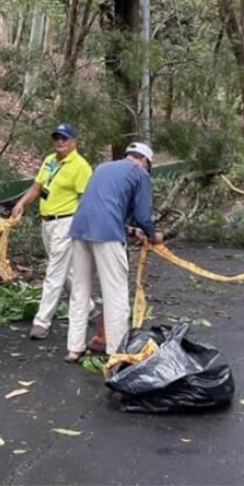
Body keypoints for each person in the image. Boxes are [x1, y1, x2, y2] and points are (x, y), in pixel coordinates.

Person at [65, 142, 164, 361]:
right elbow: (143, 215)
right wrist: (153, 235)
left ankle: (74, 348)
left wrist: (130, 230)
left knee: (80, 291)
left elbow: (103, 206)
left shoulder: (102, 168)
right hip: (107, 235)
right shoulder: (140, 174)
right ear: (146, 162)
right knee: (115, 294)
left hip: (80, 229)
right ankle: (116, 352)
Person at [12, 124, 93, 340]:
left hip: (66, 222)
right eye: (57, 138)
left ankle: (41, 322)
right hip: (47, 222)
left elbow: (86, 199)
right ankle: (90, 305)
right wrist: (22, 204)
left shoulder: (80, 166)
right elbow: (38, 187)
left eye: (64, 139)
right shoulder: (49, 160)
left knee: (54, 272)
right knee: (63, 270)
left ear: (74, 142)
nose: (60, 142)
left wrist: (81, 226)